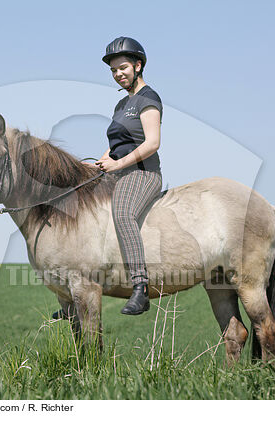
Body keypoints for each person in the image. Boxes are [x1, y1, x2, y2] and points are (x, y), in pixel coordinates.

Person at [96, 36, 163, 315]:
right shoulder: (121, 105)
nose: (118, 74)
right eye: (113, 70)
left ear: (138, 65)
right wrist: (100, 162)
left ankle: (140, 288)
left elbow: (152, 143)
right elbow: (116, 143)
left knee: (122, 213)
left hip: (143, 173)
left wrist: (119, 163)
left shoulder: (149, 98)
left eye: (122, 67)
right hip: (119, 170)